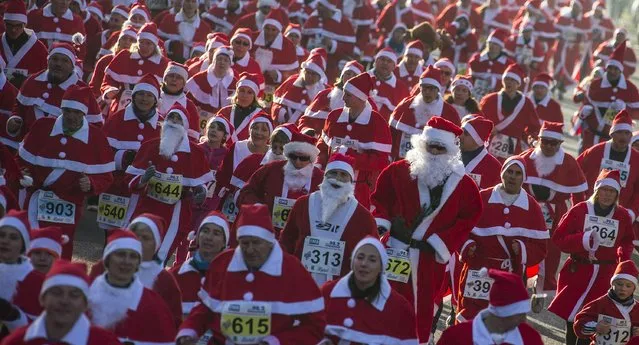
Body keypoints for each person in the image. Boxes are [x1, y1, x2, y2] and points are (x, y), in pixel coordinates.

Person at [371, 116, 482, 343]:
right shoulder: (398, 171)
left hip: (429, 257)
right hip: (395, 250)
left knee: (422, 306)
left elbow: (470, 216)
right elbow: (378, 200)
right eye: (430, 145)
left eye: (440, 148)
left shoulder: (463, 184)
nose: (434, 151)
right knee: (386, 298)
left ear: (450, 151)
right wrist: (384, 227)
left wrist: (441, 242)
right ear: (422, 144)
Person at [176, 204, 326, 345]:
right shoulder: (222, 263)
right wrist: (189, 330)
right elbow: (205, 308)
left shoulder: (292, 269)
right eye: (245, 243)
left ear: (269, 242)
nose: (249, 250)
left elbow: (315, 326)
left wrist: (276, 341)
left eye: (256, 243)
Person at [18, 85, 114, 258]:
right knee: (29, 247)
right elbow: (23, 161)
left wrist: (91, 184)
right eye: (68, 111)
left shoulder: (96, 137)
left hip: (69, 205)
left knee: (61, 250)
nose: (71, 116)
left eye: (77, 112)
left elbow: (106, 177)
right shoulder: (42, 127)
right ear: (62, 109)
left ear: (84, 114)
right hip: (36, 199)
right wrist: (24, 174)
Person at [548, 169, 635, 345]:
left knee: (594, 316)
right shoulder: (580, 210)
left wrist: (623, 257)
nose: (607, 195)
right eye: (604, 190)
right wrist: (582, 239)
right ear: (597, 190)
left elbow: (627, 241)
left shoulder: (622, 215)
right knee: (572, 316)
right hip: (577, 271)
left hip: (604, 273)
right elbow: (559, 238)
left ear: (617, 194)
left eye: (612, 191)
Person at [456, 157, 548, 322]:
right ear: (502, 174)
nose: (513, 176)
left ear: (524, 177)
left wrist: (522, 249)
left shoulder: (532, 207)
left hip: (510, 272)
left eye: (518, 173)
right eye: (509, 172)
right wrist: (467, 245)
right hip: (477, 270)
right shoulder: (482, 197)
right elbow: (459, 229)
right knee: (469, 317)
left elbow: (541, 246)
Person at [125, 104, 213, 261]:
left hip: (176, 215)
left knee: (160, 257)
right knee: (136, 251)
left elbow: (201, 184)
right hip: (146, 207)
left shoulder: (195, 153)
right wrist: (143, 179)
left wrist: (201, 192)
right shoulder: (150, 146)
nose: (173, 121)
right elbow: (130, 181)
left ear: (185, 125)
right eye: (170, 117)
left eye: (178, 119)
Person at [280, 153, 378, 286]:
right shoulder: (303, 204)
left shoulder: (363, 217)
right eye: (333, 173)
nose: (337, 179)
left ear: (351, 181)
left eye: (343, 175)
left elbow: (374, 256)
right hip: (299, 286)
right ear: (325, 176)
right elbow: (287, 240)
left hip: (341, 292)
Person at [519, 121, 588, 298]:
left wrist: (578, 221)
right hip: (527, 210)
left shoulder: (569, 163)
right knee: (525, 246)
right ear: (539, 140)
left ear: (560, 144)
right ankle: (522, 281)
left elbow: (579, 196)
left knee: (551, 252)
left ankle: (543, 287)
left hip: (555, 213)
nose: (548, 146)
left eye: (553, 143)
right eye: (545, 141)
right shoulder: (526, 158)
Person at [89, 213, 183, 327]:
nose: (139, 241)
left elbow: (173, 322)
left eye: (146, 238)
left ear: (156, 244)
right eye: (135, 235)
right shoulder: (104, 267)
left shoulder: (164, 280)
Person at [320, 237, 418, 344]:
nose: (364, 264)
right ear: (352, 262)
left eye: (372, 260)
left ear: (382, 266)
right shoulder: (327, 293)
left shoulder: (400, 309)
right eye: (360, 257)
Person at [316, 72, 392, 209]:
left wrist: (350, 157)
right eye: (344, 93)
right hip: (329, 183)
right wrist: (318, 163)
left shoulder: (377, 123)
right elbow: (322, 144)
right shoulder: (334, 117)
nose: (343, 97)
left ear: (360, 98)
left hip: (361, 189)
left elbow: (381, 161)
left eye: (348, 95)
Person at [0, 260, 122, 345]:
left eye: (74, 295)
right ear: (42, 298)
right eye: (56, 292)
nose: (64, 301)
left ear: (85, 304)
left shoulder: (104, 342)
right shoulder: (18, 341)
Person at [5, 43, 102, 148]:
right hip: (28, 149)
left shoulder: (82, 91)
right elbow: (19, 106)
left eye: (65, 61)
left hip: (61, 153)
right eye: (54, 59)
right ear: (48, 61)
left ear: (72, 66)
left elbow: (95, 126)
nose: (58, 64)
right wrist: (15, 118)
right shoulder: (33, 81)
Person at [88, 230, 177, 344]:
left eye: (133, 256)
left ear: (138, 264)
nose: (126, 261)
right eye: (120, 254)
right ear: (107, 259)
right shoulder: (83, 295)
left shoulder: (153, 304)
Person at [100, 75, 162, 231]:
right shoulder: (116, 119)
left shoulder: (163, 125)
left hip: (147, 192)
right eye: (141, 94)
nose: (144, 99)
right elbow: (101, 153)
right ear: (133, 97)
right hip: (117, 186)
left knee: (139, 235)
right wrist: (123, 158)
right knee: (111, 234)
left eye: (149, 95)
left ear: (155, 100)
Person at [237, 131, 323, 232]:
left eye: (303, 158)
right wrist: (257, 208)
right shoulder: (272, 169)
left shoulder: (320, 178)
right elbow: (246, 191)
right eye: (293, 157)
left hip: (302, 234)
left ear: (311, 159)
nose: (297, 162)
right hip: (267, 231)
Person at [437, 269, 543, 344]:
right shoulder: (456, 336)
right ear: (501, 312)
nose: (523, 319)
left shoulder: (530, 337)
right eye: (519, 314)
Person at [577, 111, 639, 226]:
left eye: (627, 133)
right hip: (590, 210)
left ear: (631, 136)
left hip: (619, 215)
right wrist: (579, 204)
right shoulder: (595, 152)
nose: (623, 137)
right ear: (612, 134)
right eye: (619, 132)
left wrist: (632, 212)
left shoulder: (636, 159)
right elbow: (574, 175)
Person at [389, 66, 461, 161]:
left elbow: (454, 144)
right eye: (424, 88)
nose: (427, 92)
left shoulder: (449, 113)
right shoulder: (405, 106)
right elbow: (391, 135)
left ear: (438, 90)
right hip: (402, 161)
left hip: (432, 165)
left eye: (431, 89)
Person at [579, 42, 639, 152]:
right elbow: (586, 104)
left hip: (614, 142)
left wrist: (625, 108)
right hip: (591, 135)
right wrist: (583, 112)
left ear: (620, 70)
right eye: (610, 68)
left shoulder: (630, 89)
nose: (612, 71)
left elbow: (637, 113)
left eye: (616, 69)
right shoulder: (596, 84)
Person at [213, 113, 272, 223]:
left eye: (264, 130)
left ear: (269, 134)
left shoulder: (272, 155)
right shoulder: (237, 147)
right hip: (230, 204)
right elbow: (223, 175)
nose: (259, 133)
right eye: (255, 128)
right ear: (250, 130)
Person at [169, 211, 230, 317]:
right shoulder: (175, 275)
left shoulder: (232, 279)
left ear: (224, 242)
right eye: (205, 231)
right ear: (197, 237)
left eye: (216, 233)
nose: (209, 237)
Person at [101, 22, 170, 114]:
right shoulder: (124, 56)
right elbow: (108, 79)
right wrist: (109, 89)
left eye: (148, 43)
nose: (144, 46)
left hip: (151, 107)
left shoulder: (163, 63)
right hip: (122, 105)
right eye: (141, 42)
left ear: (155, 45)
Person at [480, 63, 541, 163]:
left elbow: (534, 127)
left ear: (518, 84)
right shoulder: (490, 99)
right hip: (488, 143)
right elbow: (479, 119)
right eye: (506, 79)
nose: (509, 83)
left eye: (513, 80)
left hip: (512, 146)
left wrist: (530, 140)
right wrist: (488, 128)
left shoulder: (526, 103)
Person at [574, 260, 639, 345]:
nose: (623, 288)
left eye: (628, 286)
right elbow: (579, 323)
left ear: (634, 289)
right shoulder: (600, 303)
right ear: (612, 284)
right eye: (619, 284)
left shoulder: (637, 308)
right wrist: (595, 326)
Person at [0, 211, 44, 338]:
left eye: (13, 237)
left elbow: (39, 331)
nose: (5, 241)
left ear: (23, 245)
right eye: (2, 235)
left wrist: (12, 316)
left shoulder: (34, 280)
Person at [300, 60, 364, 134]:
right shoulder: (325, 95)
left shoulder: (364, 103)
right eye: (348, 73)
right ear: (342, 76)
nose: (350, 77)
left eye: (355, 75)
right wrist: (307, 130)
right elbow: (305, 120)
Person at [301, 0, 356, 82]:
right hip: (309, 66)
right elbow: (303, 40)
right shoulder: (313, 18)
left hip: (331, 69)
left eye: (321, 5)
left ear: (329, 8)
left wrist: (332, 44)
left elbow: (348, 51)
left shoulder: (344, 23)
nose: (317, 8)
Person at [0, 0, 48, 88]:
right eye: (9, 25)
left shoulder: (39, 49)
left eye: (18, 25)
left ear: (25, 24)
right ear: (4, 23)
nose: (14, 30)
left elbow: (45, 77)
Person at [252, 10, 299, 99]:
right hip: (251, 85)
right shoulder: (253, 38)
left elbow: (294, 74)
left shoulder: (288, 46)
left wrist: (279, 75)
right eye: (267, 28)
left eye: (273, 30)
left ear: (279, 31)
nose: (269, 32)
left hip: (272, 89)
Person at [271, 54, 327, 125]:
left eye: (313, 74)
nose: (309, 76)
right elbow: (276, 101)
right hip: (282, 126)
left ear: (319, 77)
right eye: (308, 72)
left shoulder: (323, 91)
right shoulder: (291, 81)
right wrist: (279, 111)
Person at [551, 0, 591, 99]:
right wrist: (560, 35)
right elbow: (555, 29)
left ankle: (562, 87)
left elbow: (586, 36)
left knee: (569, 66)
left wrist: (578, 38)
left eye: (577, 7)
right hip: (561, 45)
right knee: (557, 64)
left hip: (573, 48)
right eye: (573, 6)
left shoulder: (583, 21)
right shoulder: (564, 16)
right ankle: (555, 83)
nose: (574, 8)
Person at [187, 45, 237, 120]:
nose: (222, 62)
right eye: (219, 59)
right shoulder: (200, 78)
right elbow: (188, 101)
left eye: (226, 60)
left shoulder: (234, 83)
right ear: (214, 61)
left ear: (230, 64)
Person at [88, 24, 137, 98]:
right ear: (119, 41)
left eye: (131, 40)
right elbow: (94, 86)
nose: (127, 42)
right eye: (124, 38)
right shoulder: (105, 60)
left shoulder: (138, 64)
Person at [157, 62, 201, 140]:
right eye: (171, 76)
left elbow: (193, 136)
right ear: (165, 79)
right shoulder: (153, 98)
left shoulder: (189, 105)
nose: (174, 79)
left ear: (184, 83)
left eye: (178, 77)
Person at [468, 29, 514, 99]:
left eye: (495, 44)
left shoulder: (508, 64)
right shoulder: (476, 60)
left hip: (497, 99)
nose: (492, 46)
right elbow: (468, 77)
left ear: (501, 47)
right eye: (490, 43)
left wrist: (494, 81)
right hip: (474, 97)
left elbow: (511, 85)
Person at [459, 115, 501, 189]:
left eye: (466, 134)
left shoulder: (494, 168)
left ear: (477, 140)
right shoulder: (449, 155)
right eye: (461, 131)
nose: (460, 136)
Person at [367, 48, 409, 122]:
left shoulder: (401, 89)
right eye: (382, 59)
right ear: (376, 61)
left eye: (389, 61)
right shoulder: (363, 78)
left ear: (394, 66)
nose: (385, 63)